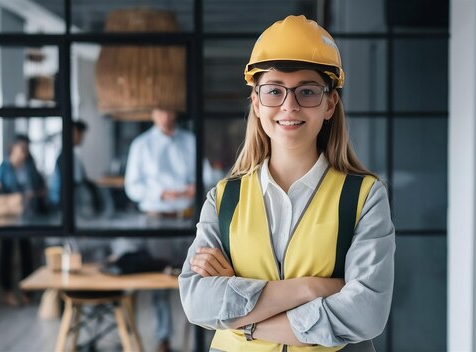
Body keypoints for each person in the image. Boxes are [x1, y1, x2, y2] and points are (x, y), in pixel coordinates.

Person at [179, 15, 395, 352]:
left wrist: (245, 322)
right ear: (256, 101)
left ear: (329, 103)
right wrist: (310, 289)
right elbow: (196, 302)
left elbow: (366, 314)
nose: (289, 105)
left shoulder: (364, 197)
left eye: (307, 91)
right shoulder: (223, 199)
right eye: (274, 91)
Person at [122, 108, 209, 352]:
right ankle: (164, 338)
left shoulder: (190, 140)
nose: (167, 117)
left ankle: (196, 340)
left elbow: (207, 172)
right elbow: (132, 187)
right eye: (161, 112)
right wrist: (160, 194)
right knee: (160, 280)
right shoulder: (142, 145)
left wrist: (195, 186)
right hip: (156, 220)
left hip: (187, 219)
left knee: (195, 278)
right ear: (152, 114)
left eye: (170, 111)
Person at [0, 134, 47, 306]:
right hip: (9, 218)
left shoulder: (30, 166)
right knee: (6, 254)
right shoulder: (4, 168)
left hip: (27, 216)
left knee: (26, 253)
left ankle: (27, 291)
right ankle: (7, 291)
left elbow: (41, 187)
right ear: (13, 148)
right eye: (22, 149)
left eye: (26, 149)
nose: (24, 152)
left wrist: (34, 194)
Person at [49, 120, 104, 216]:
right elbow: (70, 183)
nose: (82, 138)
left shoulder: (73, 155)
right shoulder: (64, 157)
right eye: (80, 134)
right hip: (70, 203)